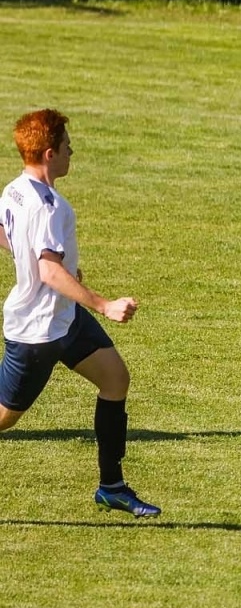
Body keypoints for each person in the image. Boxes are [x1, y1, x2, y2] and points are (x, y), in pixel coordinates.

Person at [0, 109, 159, 517]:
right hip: (37, 332)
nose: (73, 150)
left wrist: (64, 269)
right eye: (68, 145)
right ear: (50, 153)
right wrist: (105, 304)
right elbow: (48, 270)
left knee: (115, 378)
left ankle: (112, 487)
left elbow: (15, 239)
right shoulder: (51, 206)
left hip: (63, 318)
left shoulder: (14, 190)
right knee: (4, 418)